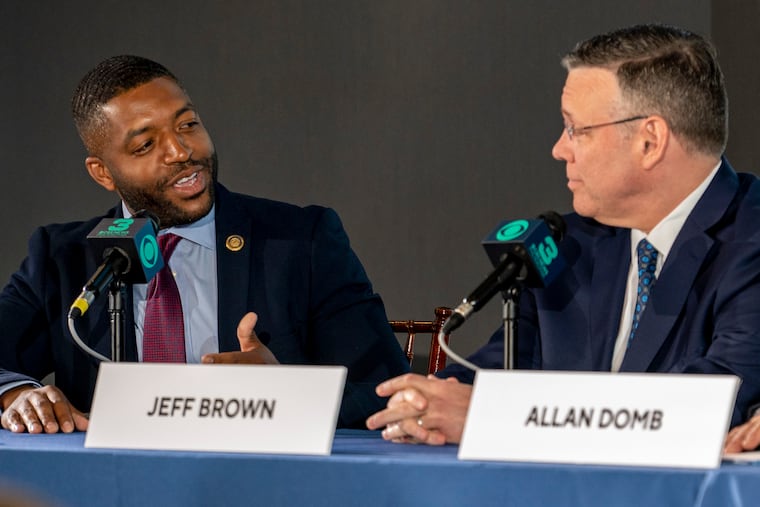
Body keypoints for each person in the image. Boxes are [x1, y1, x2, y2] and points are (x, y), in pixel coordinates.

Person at [367, 23, 760, 445]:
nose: (559, 148)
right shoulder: (571, 244)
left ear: (650, 141)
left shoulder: (749, 240)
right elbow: (495, 373)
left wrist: (496, 418)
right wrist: (427, 404)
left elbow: (710, 402)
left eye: (577, 130)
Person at [0, 55, 409, 433]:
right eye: (145, 145)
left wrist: (287, 391)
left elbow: (384, 386)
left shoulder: (302, 240)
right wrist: (16, 395)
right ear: (103, 173)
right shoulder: (61, 257)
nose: (181, 151)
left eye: (188, 124)